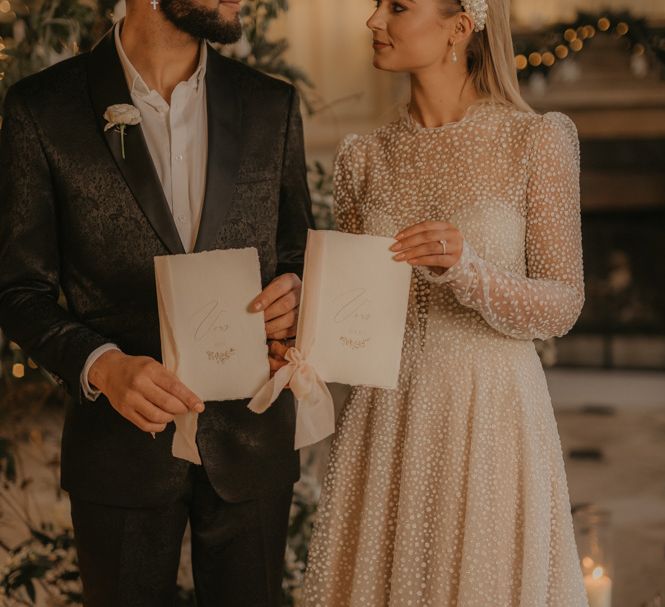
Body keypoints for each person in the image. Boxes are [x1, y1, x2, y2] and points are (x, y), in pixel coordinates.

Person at [0, 0, 313, 603]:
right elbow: (18, 289)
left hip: (252, 442)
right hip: (120, 448)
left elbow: (295, 254)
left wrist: (297, 295)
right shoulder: (41, 108)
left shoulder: (271, 104)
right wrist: (102, 366)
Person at [303, 0, 588, 605]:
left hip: (492, 416)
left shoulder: (534, 140)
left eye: (397, 6)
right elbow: (357, 311)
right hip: (388, 422)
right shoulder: (365, 157)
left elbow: (563, 303)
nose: (374, 21)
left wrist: (470, 270)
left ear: (460, 26)